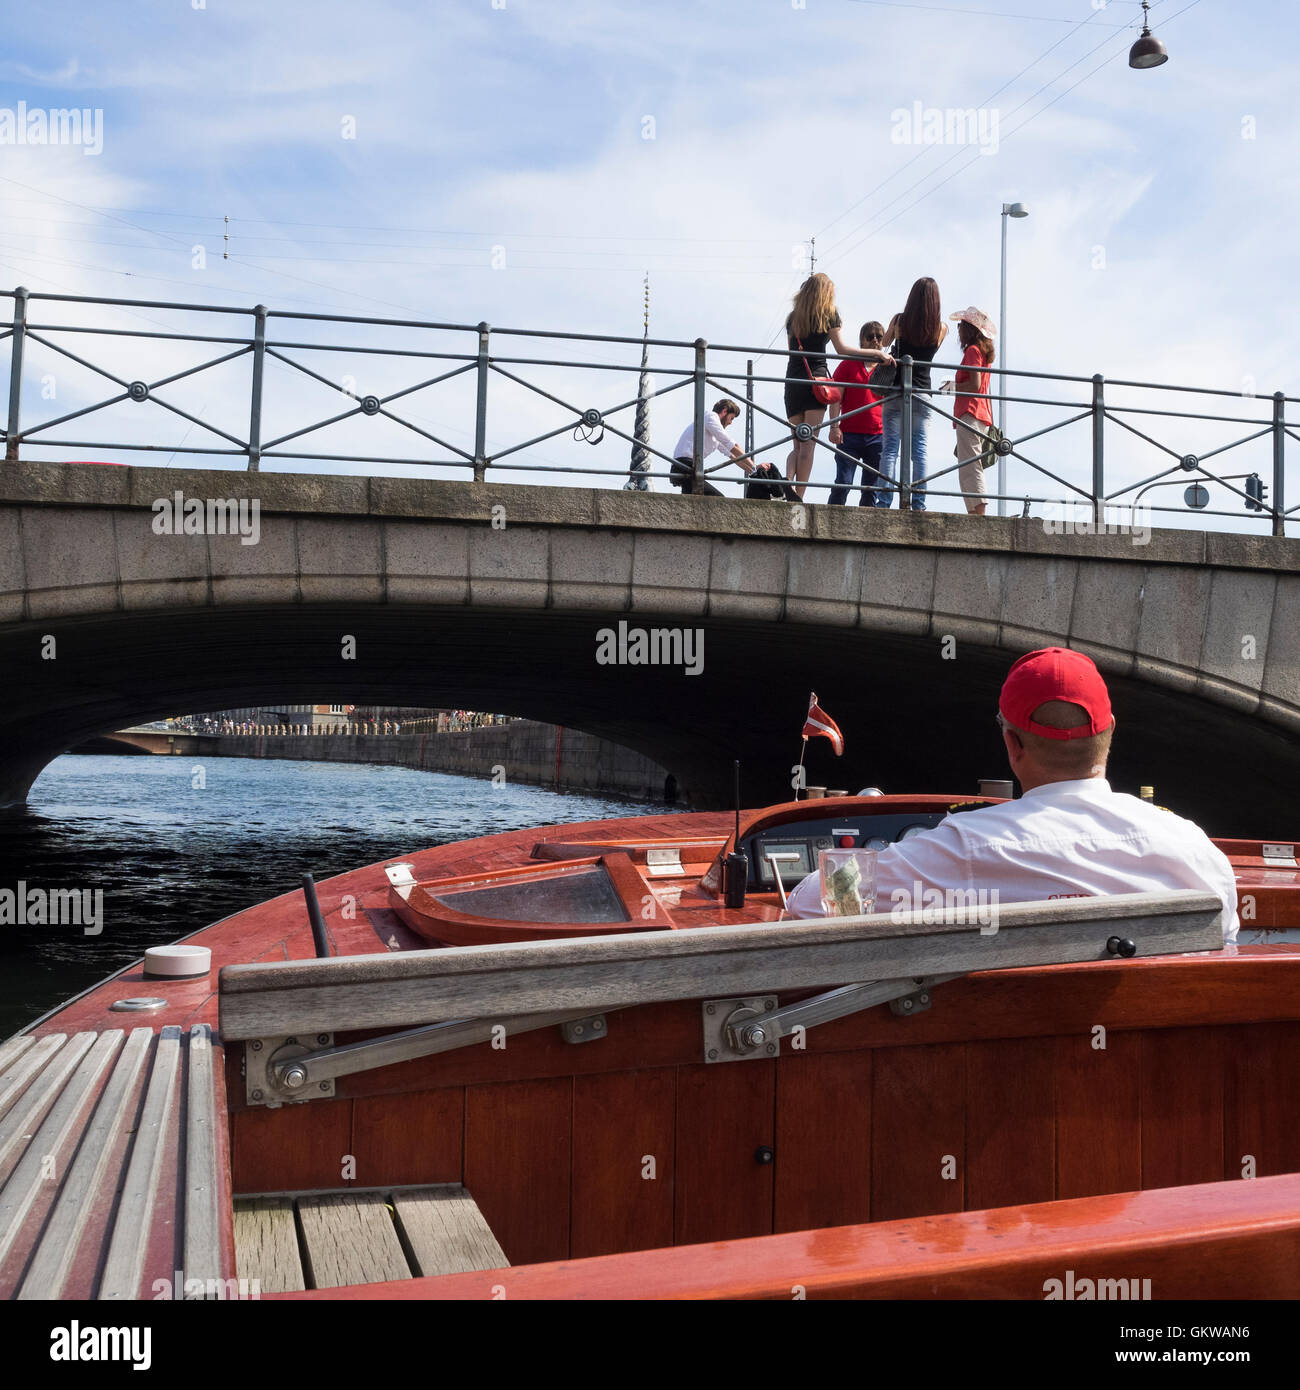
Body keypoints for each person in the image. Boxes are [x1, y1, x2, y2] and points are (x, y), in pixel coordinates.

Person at [786, 647, 1240, 943]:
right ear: (1109, 733)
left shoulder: (967, 848)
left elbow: (810, 906)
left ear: (1012, 744)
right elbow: (1227, 938)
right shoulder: (1193, 848)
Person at [783, 274, 893, 501]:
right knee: (808, 446)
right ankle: (798, 495)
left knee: (797, 443)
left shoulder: (793, 318)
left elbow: (792, 353)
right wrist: (876, 353)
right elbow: (841, 349)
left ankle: (788, 483)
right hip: (817, 382)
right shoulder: (828, 314)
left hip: (793, 382)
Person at [880, 277, 948, 511]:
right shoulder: (941, 328)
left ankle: (884, 502)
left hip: (895, 391)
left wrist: (894, 330)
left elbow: (883, 343)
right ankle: (918, 503)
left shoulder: (900, 321)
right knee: (919, 450)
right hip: (923, 393)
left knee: (890, 448)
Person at [828, 321, 886, 506]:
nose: (875, 340)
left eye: (879, 337)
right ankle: (831, 524)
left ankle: (869, 531)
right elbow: (836, 398)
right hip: (849, 435)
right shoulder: (848, 364)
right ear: (862, 340)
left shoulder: (887, 368)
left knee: (870, 490)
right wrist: (834, 427)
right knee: (843, 484)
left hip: (877, 436)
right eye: (870, 337)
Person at [948, 306, 997, 516]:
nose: (958, 329)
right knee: (968, 463)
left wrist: (950, 388)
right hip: (979, 413)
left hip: (970, 412)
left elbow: (974, 385)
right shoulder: (982, 352)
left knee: (970, 464)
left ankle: (978, 511)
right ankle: (975, 510)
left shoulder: (972, 351)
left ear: (969, 329)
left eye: (960, 325)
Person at [671, 398, 753, 496]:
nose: (731, 423)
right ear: (724, 411)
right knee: (718, 500)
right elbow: (732, 445)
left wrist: (752, 471)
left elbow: (734, 457)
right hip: (684, 466)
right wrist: (754, 467)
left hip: (690, 468)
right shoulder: (711, 417)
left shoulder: (714, 432)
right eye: (731, 418)